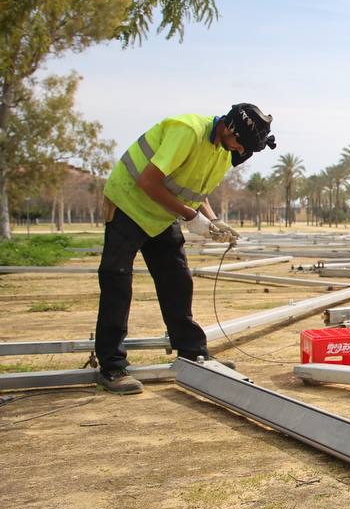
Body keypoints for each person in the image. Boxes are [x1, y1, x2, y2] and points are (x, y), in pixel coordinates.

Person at [94, 104, 276, 394]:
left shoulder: (221, 150)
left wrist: (213, 219)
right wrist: (192, 217)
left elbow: (195, 191)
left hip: (160, 213)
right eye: (240, 143)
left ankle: (192, 351)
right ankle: (111, 366)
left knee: (177, 280)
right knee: (117, 281)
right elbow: (148, 180)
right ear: (229, 128)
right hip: (129, 203)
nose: (240, 150)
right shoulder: (187, 131)